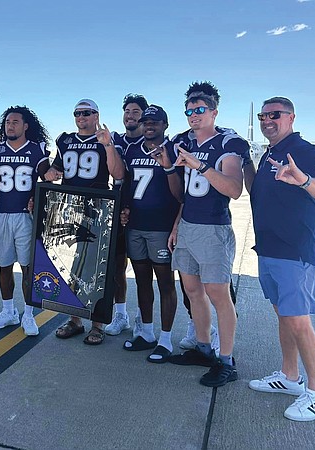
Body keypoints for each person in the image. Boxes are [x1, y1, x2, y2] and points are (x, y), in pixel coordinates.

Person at [248, 97, 315, 421]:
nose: (267, 120)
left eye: (275, 114)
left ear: (291, 117)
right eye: (263, 115)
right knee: (284, 315)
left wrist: (305, 180)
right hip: (269, 248)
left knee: (298, 320)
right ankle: (289, 376)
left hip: (296, 251)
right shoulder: (268, 155)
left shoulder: (303, 150)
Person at [168, 82, 247, 388]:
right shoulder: (181, 141)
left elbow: (234, 189)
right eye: (189, 110)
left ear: (214, 111)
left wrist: (199, 164)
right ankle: (203, 348)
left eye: (200, 110)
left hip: (214, 228)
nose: (193, 115)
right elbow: (185, 194)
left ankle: (226, 361)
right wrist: (177, 225)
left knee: (219, 296)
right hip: (187, 226)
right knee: (192, 291)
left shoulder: (228, 142)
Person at [44, 99, 125, 345]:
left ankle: (97, 323)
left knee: (97, 269)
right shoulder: (65, 140)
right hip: (68, 210)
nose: (81, 117)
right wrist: (50, 173)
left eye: (87, 113)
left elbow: (118, 174)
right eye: (77, 113)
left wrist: (108, 145)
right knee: (71, 267)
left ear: (96, 115)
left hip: (97, 210)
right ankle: (75, 320)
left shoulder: (106, 139)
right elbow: (56, 169)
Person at [119, 105, 183, 363]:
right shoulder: (133, 150)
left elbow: (181, 194)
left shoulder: (175, 150)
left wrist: (168, 167)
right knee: (142, 281)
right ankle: (146, 332)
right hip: (136, 225)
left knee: (166, 283)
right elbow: (126, 184)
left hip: (161, 227)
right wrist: (124, 208)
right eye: (145, 121)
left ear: (165, 125)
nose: (148, 125)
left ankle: (166, 339)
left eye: (154, 121)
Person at [0, 106, 51, 336]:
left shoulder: (36, 149)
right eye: (7, 122)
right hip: (1, 212)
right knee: (4, 266)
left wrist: (37, 197)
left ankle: (29, 315)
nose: (10, 126)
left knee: (27, 267)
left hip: (26, 216)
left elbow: (47, 179)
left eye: (15, 122)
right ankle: (8, 311)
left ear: (25, 126)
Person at [105, 93, 149, 337]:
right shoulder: (115, 140)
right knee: (117, 265)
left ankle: (144, 317)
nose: (130, 116)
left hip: (145, 210)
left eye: (136, 112)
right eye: (127, 111)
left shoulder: (153, 142)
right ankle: (120, 314)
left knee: (145, 268)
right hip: (118, 206)